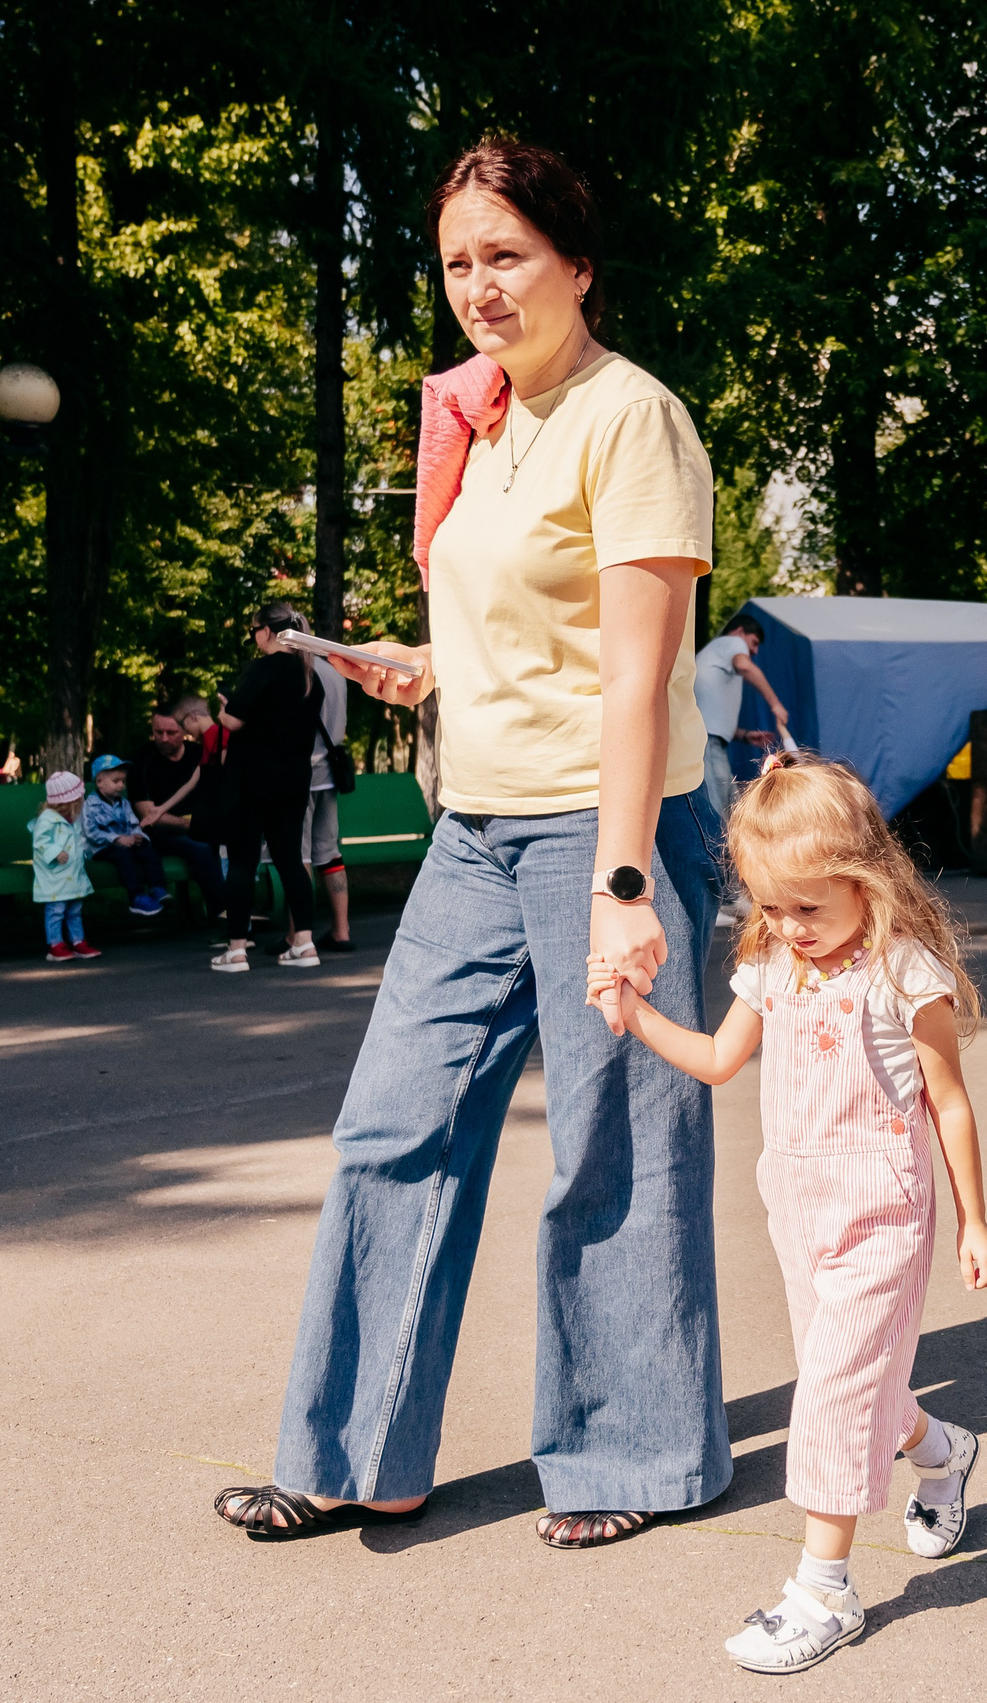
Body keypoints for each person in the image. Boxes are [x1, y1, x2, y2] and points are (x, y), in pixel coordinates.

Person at [211, 137, 729, 1548]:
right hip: (476, 829)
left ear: (575, 260)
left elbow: (633, 673)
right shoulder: (485, 424)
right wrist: (429, 662)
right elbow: (527, 627)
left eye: (507, 255)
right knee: (395, 1122)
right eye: (457, 262)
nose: (481, 288)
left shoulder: (635, 419)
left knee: (613, 1142)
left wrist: (626, 886)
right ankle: (358, 1448)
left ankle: (630, 1450)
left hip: (605, 823)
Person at [587, 754, 987, 1673]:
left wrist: (974, 1218)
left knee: (830, 1396)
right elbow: (717, 1059)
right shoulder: (773, 964)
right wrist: (634, 1011)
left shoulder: (904, 970)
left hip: (882, 1211)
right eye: (771, 907)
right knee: (851, 1382)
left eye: (809, 908)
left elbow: (951, 1101)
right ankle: (943, 1449)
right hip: (798, 1204)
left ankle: (824, 1590)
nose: (787, 926)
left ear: (866, 880)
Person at [210, 604, 322, 971]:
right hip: (293, 780)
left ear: (267, 632)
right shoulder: (309, 676)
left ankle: (237, 949)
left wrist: (223, 708)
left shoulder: (262, 669)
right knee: (290, 860)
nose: (253, 637)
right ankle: (304, 943)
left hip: (252, 778)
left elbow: (234, 720)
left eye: (253, 630)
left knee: (243, 861)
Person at [692, 608, 791, 827]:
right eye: (754, 642)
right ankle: (726, 860)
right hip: (708, 743)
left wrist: (745, 736)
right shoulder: (731, 642)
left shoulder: (715, 655)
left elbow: (708, 709)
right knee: (722, 812)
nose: (754, 651)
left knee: (729, 807)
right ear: (739, 632)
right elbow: (745, 666)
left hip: (710, 741)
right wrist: (776, 705)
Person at [133, 708, 226, 920]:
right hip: (162, 833)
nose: (164, 738)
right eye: (158, 732)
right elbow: (149, 815)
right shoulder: (142, 760)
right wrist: (191, 825)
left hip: (204, 825)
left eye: (171, 732)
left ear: (184, 730)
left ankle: (243, 907)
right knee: (200, 847)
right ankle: (224, 912)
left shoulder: (198, 753)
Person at [303, 634, 355, 952]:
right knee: (329, 851)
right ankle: (341, 930)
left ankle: (300, 934)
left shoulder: (299, 673)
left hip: (302, 773)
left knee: (300, 855)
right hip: (330, 774)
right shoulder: (334, 673)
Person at [81, 755, 165, 916]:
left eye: (123, 781)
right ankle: (136, 897)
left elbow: (133, 823)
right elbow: (90, 831)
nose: (121, 785)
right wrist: (117, 839)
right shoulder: (90, 805)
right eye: (116, 781)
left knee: (148, 850)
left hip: (126, 843)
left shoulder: (124, 803)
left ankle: (158, 888)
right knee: (123, 856)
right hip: (101, 847)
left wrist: (137, 835)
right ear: (99, 782)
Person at [30, 771, 100, 963]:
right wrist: (54, 852)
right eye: (79, 798)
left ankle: (78, 941)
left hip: (74, 873)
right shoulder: (47, 819)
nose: (82, 801)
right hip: (56, 876)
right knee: (56, 910)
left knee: (74, 909)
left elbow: (80, 840)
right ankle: (55, 944)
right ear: (68, 801)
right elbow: (40, 842)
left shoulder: (73, 819)